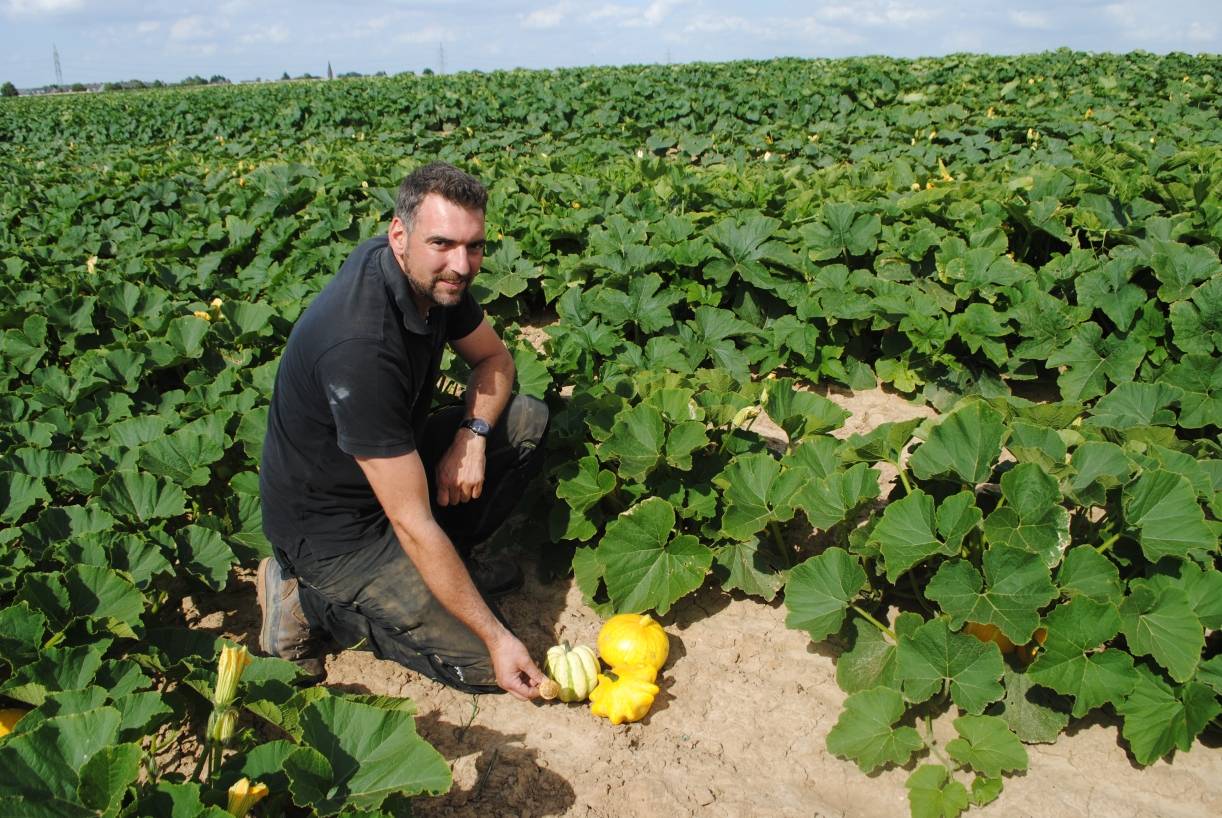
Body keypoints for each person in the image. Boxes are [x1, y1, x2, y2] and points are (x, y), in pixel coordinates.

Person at [257, 162, 549, 700]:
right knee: (485, 665)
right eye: (442, 243)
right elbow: (410, 521)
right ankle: (305, 600)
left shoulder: (431, 279)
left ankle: (453, 560)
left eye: (475, 246)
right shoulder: (358, 348)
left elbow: (494, 359)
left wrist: (473, 437)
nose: (461, 265)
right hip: (335, 533)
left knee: (524, 417)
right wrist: (497, 637)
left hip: (394, 474)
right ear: (400, 234)